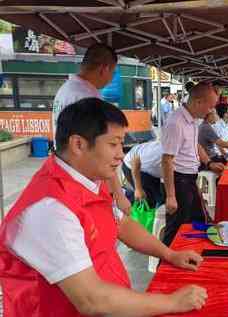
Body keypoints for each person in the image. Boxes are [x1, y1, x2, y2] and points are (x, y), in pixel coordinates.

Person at [0, 98, 208, 317]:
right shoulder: (50, 210)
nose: (121, 154)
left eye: (121, 144)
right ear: (78, 144)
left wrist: (169, 254)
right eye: (113, 144)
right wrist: (172, 302)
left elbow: (121, 224)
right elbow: (92, 300)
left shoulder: (86, 179)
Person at [52, 43, 130, 215]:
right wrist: (118, 194)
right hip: (83, 180)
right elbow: (102, 152)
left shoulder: (66, 89)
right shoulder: (88, 97)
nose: (111, 79)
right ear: (104, 68)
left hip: (68, 175)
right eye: (113, 72)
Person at [161, 83, 225, 246]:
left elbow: (196, 146)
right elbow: (167, 159)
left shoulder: (193, 121)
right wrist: (170, 196)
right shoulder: (176, 122)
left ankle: (190, 256)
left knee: (197, 221)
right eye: (210, 106)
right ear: (198, 102)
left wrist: (209, 163)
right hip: (178, 180)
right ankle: (165, 265)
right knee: (176, 228)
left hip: (189, 178)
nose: (211, 111)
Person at [122, 141, 165, 208]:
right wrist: (138, 188)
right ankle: (124, 195)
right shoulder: (160, 153)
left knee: (161, 198)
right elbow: (135, 161)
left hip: (150, 170)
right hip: (133, 166)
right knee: (146, 200)